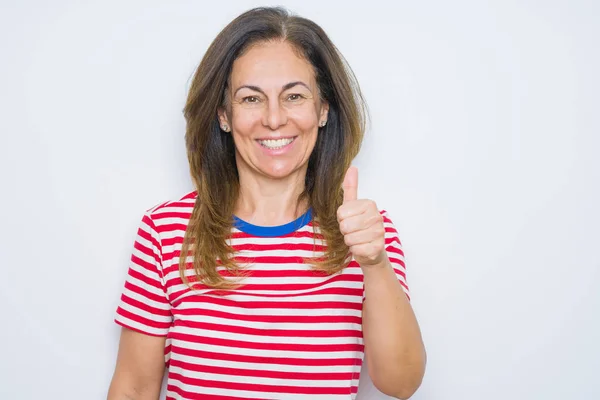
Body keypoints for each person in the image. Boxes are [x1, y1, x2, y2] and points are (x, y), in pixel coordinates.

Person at [107, 6, 426, 400]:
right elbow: (134, 387)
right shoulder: (166, 231)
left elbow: (401, 383)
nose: (274, 119)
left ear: (322, 109)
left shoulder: (366, 234)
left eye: (294, 96)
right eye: (251, 98)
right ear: (224, 115)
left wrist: (376, 265)